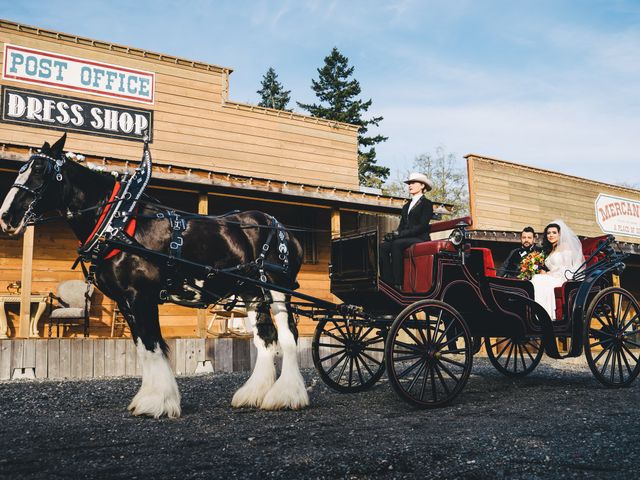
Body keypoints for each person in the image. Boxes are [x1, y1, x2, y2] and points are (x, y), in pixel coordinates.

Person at [380, 172, 434, 289]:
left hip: (420, 238)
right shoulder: (406, 206)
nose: (410, 185)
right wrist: (393, 234)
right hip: (406, 237)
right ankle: (387, 282)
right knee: (383, 247)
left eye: (413, 183)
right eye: (409, 183)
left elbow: (422, 226)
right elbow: (402, 226)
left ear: (422, 186)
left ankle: (398, 284)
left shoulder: (427, 204)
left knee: (397, 244)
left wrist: (399, 235)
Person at [530, 220, 584, 320]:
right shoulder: (550, 250)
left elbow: (567, 268)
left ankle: (543, 316)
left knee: (538, 279)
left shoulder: (565, 246)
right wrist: (545, 272)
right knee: (536, 278)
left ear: (559, 234)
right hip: (553, 277)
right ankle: (536, 313)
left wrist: (548, 274)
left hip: (563, 278)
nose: (551, 235)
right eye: (548, 233)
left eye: (554, 233)